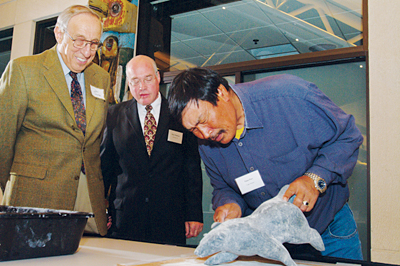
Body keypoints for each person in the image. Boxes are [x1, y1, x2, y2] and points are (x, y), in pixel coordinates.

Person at [167, 67, 364, 260]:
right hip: (268, 244)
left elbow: (347, 136)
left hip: (328, 231)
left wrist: (314, 179)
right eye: (194, 130)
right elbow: (223, 187)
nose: (205, 134)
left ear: (220, 92)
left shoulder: (289, 96)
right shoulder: (206, 145)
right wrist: (230, 204)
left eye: (204, 120)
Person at [0, 5, 110, 235]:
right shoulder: (24, 70)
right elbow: (0, 141)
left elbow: (93, 143)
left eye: (94, 43)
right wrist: (17, 184)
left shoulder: (101, 78)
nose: (87, 51)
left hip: (87, 199)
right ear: (59, 34)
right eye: (80, 41)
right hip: (35, 196)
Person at [100, 55, 203, 245]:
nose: (142, 87)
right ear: (128, 84)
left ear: (158, 77)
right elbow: (104, 169)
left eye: (147, 79)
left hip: (170, 217)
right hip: (125, 218)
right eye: (135, 81)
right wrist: (99, 211)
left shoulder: (180, 114)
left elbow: (191, 168)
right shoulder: (113, 115)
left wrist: (194, 213)